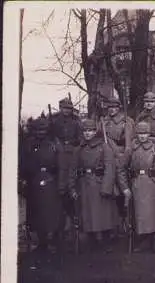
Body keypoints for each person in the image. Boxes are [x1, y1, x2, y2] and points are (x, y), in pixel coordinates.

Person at [68, 119, 118, 253]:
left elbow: (110, 168)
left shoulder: (104, 147)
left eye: (90, 130)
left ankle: (106, 240)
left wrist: (106, 187)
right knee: (88, 215)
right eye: (85, 131)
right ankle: (92, 239)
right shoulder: (79, 149)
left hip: (99, 184)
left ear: (95, 132)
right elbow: (73, 169)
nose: (87, 133)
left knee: (103, 216)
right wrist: (72, 187)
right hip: (84, 185)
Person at [19, 117, 66, 253]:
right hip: (34, 181)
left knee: (51, 213)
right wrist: (23, 180)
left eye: (43, 129)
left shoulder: (55, 144)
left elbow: (62, 165)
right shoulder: (29, 144)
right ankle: (41, 241)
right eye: (38, 130)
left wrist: (61, 184)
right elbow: (23, 163)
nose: (41, 132)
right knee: (36, 213)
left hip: (51, 180)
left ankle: (53, 240)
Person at [121, 122, 155, 253]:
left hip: (153, 184)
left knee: (154, 215)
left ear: (149, 134)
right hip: (136, 184)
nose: (142, 136)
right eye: (140, 133)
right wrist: (125, 187)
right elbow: (121, 168)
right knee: (139, 216)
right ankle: (143, 241)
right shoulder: (131, 148)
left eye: (145, 133)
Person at [100, 96, 135, 234]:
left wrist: (124, 158)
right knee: (111, 190)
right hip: (108, 158)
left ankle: (126, 221)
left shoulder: (126, 121)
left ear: (119, 108)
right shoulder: (104, 121)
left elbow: (128, 144)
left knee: (124, 189)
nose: (111, 110)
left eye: (114, 107)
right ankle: (113, 224)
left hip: (122, 156)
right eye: (109, 107)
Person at [49, 97, 81, 236]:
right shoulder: (54, 122)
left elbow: (79, 138)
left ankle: (73, 220)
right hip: (58, 153)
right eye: (64, 108)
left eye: (68, 108)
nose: (66, 111)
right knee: (60, 186)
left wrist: (74, 145)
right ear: (60, 108)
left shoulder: (76, 123)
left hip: (72, 152)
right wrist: (56, 144)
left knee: (72, 181)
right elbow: (51, 137)